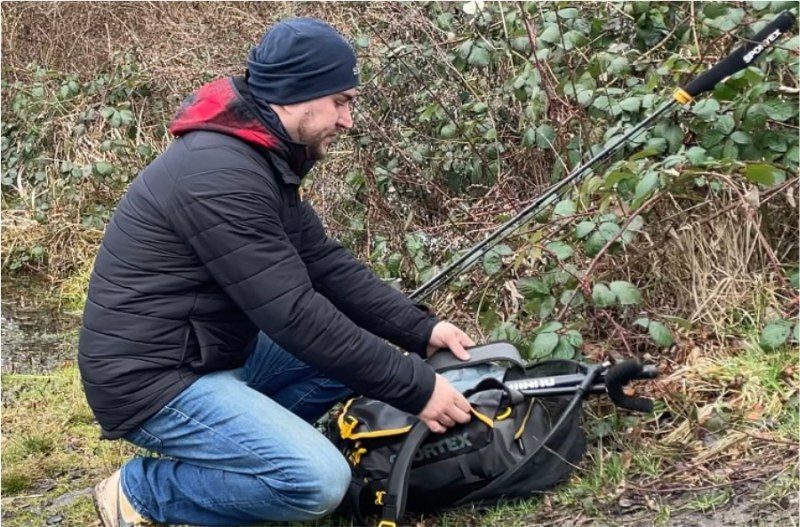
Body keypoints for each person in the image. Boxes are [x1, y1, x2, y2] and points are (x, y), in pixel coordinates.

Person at [80, 17, 476, 527]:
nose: (348, 120)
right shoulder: (220, 175)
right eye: (340, 102)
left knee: (341, 354)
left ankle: (249, 452)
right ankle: (143, 491)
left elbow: (324, 264)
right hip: (152, 380)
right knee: (317, 482)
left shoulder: (257, 157)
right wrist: (417, 389)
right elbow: (293, 316)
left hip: (206, 349)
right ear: (295, 95)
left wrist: (421, 329)